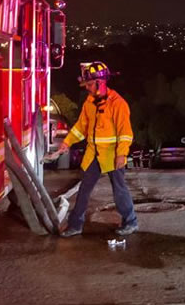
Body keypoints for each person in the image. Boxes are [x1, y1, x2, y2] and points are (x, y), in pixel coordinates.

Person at [49, 61, 138, 237]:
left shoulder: (118, 104)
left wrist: (121, 154)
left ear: (101, 82)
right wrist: (67, 142)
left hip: (113, 155)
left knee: (119, 190)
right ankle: (75, 225)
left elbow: (125, 133)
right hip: (94, 155)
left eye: (90, 84)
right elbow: (81, 127)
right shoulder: (89, 103)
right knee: (84, 190)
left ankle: (130, 222)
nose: (87, 88)